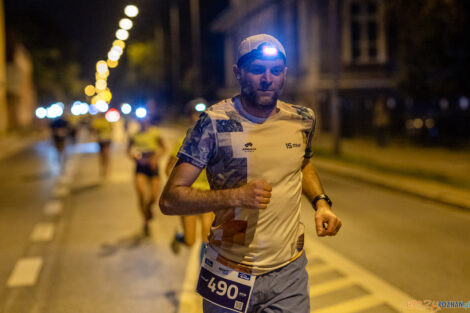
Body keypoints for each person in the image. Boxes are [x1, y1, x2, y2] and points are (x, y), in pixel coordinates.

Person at [160, 34, 342, 313]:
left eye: (276, 70)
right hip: (227, 272)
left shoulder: (302, 119)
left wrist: (320, 202)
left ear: (284, 73)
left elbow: (302, 162)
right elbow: (170, 200)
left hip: (288, 273)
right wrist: (235, 196)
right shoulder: (213, 123)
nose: (267, 78)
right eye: (257, 69)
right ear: (238, 72)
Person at [166, 100, 214, 260]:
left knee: (207, 236)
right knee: (190, 240)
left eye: (201, 115)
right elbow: (168, 169)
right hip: (188, 197)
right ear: (189, 117)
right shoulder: (182, 142)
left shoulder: (215, 141)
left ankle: (202, 277)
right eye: (194, 114)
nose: (198, 118)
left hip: (208, 196)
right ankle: (179, 238)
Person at [128, 116, 166, 236]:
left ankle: (149, 210)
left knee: (154, 196)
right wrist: (134, 157)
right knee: (141, 193)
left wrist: (156, 157)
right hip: (140, 166)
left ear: (149, 120)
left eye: (146, 120)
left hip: (153, 166)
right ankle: (145, 220)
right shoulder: (134, 135)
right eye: (141, 120)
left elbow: (164, 148)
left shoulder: (155, 132)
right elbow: (128, 150)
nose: (144, 122)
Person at [91, 113, 113, 177]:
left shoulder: (101, 121)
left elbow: (111, 128)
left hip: (106, 140)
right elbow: (94, 130)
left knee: (106, 153)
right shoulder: (99, 121)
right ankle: (104, 167)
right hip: (101, 140)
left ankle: (106, 167)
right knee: (102, 155)